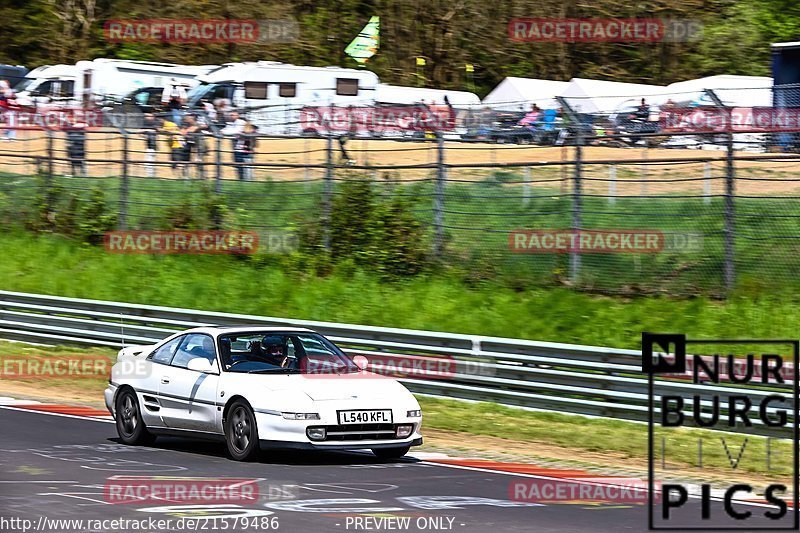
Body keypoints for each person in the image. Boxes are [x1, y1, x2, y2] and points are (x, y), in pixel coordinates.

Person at [142, 113, 158, 178]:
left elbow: (157, 131)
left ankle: (150, 175)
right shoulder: (146, 124)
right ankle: (150, 175)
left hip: (152, 146)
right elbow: (141, 133)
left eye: (148, 116)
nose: (146, 117)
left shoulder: (154, 124)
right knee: (148, 161)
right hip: (149, 146)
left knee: (150, 161)